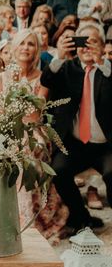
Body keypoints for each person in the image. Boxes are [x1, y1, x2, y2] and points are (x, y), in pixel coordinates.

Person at [0, 29, 68, 244]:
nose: (26, 47)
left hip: (33, 132)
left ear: (37, 49)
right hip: (7, 130)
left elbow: (35, 114)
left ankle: (28, 220)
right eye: (22, 43)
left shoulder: (42, 78)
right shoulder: (1, 77)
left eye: (31, 44)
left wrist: (18, 89)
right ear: (14, 48)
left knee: (26, 149)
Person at [41, 22, 112, 231]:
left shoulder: (107, 70)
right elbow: (46, 79)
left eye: (93, 42)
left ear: (101, 45)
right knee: (58, 170)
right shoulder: (66, 69)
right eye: (83, 42)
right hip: (76, 144)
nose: (87, 47)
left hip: (106, 145)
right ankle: (82, 217)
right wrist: (59, 56)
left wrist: (101, 61)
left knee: (111, 173)